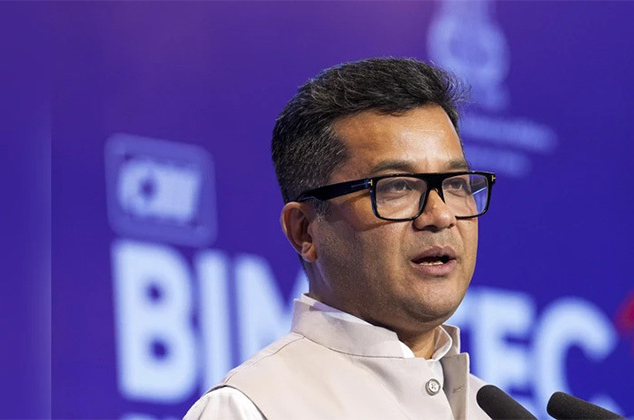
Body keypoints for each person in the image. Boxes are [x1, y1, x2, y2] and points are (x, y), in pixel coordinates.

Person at [184, 57, 496, 420]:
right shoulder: (251, 409)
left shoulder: (493, 412)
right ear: (304, 230)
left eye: (456, 184)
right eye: (396, 186)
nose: (440, 215)